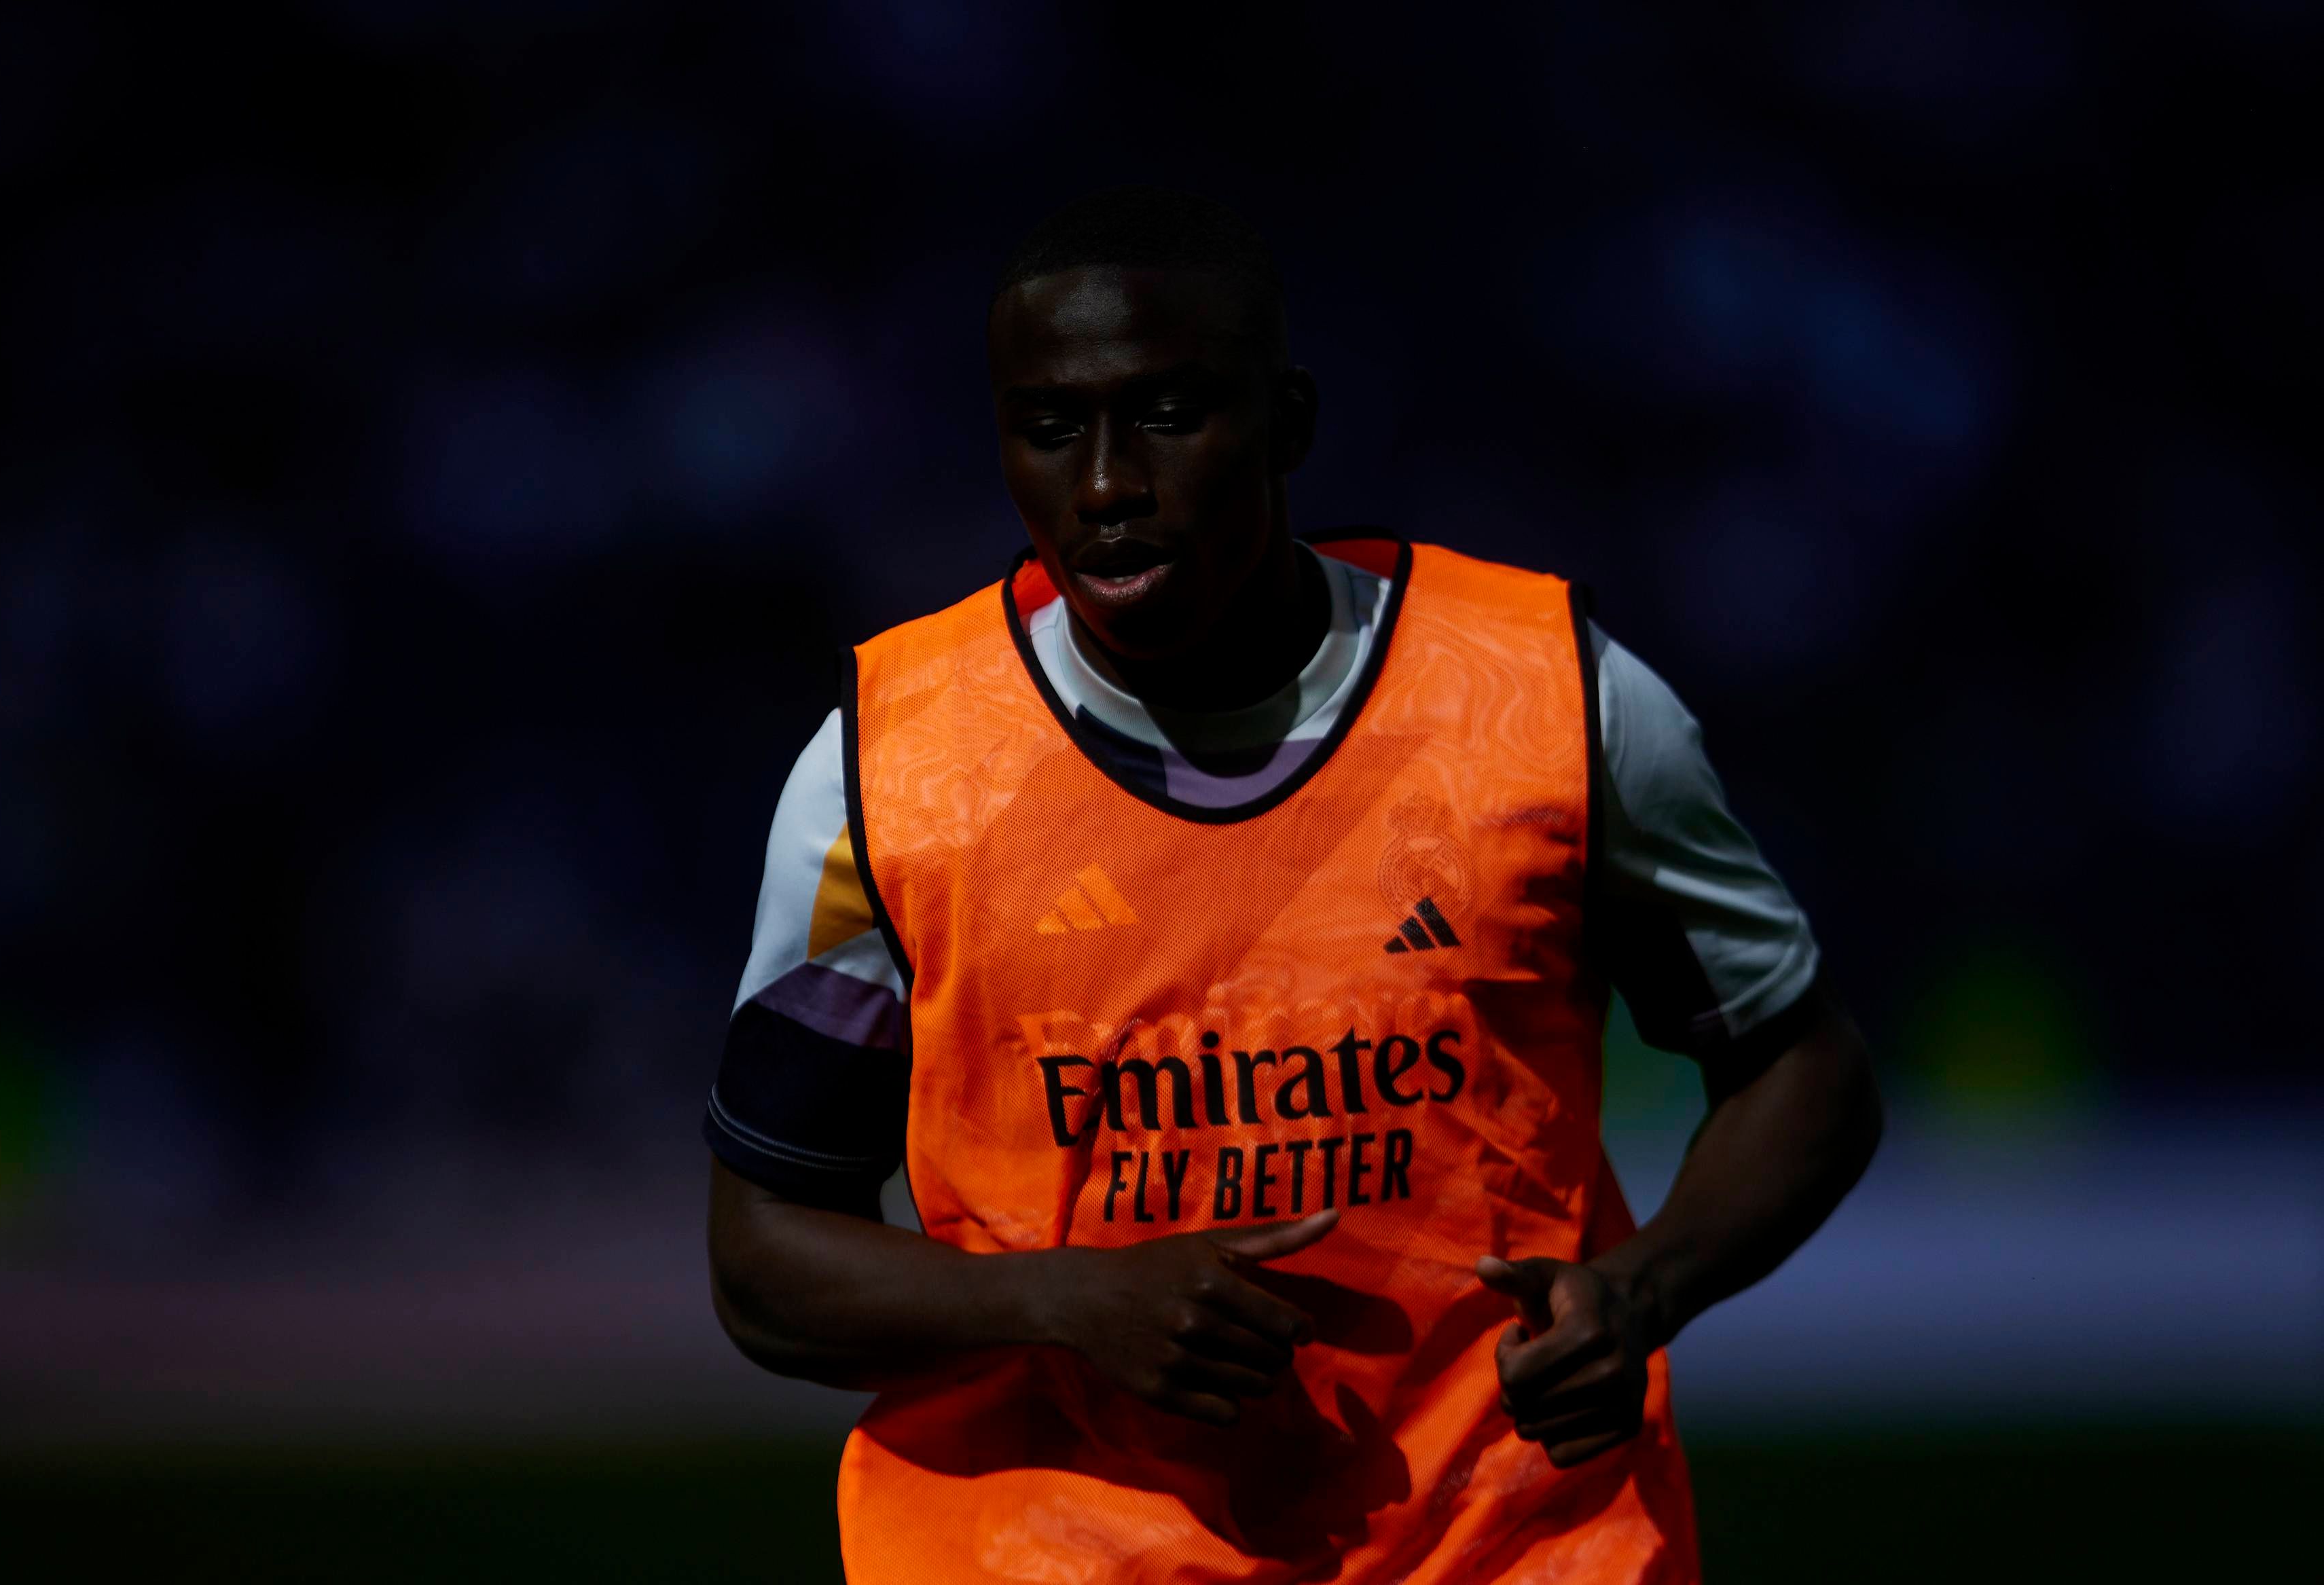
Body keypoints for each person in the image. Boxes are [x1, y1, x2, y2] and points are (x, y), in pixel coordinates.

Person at [703, 185, 1881, 1583]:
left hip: (1508, 1547)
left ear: (1290, 421)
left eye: (1166, 414)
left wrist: (1640, 1290)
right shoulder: (889, 771)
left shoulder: (1547, 704)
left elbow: (1804, 1070)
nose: (1105, 485)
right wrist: (1064, 1301)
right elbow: (763, 1257)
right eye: (1050, 426)